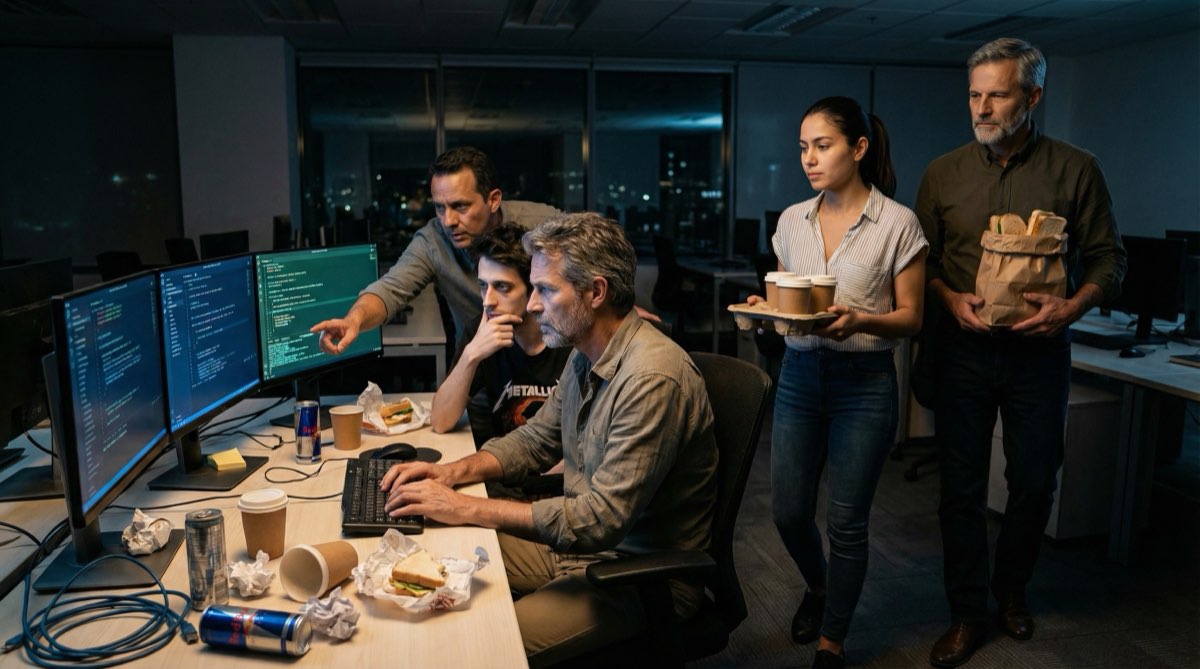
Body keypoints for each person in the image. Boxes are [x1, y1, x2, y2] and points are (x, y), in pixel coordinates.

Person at [380, 213, 717, 667]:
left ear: (595, 292)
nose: (533, 306)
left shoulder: (652, 378)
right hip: (579, 552)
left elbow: (599, 520)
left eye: (545, 290)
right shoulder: (584, 353)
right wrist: (450, 473)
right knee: (437, 540)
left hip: (632, 576)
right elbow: (537, 440)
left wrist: (467, 506)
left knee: (480, 645)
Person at [915, 38, 1125, 668]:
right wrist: (948, 298)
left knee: (1034, 482)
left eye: (997, 94)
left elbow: (1110, 259)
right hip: (962, 351)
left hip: (1039, 352)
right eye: (975, 95)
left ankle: (1011, 592)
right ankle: (966, 613)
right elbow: (915, 264)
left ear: (1032, 97)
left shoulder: (1076, 168)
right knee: (961, 488)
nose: (981, 107)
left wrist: (1073, 305)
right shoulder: (943, 172)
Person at [749, 96, 927, 669]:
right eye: (803, 147)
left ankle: (833, 639)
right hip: (800, 375)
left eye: (821, 145)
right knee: (788, 512)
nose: (809, 158)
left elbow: (912, 318)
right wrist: (765, 309)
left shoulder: (897, 223)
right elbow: (788, 310)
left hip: (865, 383)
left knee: (848, 521)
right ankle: (820, 586)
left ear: (858, 148)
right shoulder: (791, 221)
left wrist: (860, 319)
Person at [310, 146, 560, 354]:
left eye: (460, 206)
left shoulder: (540, 224)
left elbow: (595, 252)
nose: (448, 220)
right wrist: (354, 319)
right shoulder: (434, 240)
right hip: (481, 371)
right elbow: (389, 289)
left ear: (493, 200)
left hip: (550, 370)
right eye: (440, 208)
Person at [429, 220, 572, 448]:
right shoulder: (482, 332)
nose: (488, 301)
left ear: (534, 288)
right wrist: (471, 355)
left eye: (502, 287)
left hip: (559, 477)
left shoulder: (569, 335)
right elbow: (440, 421)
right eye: (484, 286)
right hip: (504, 471)